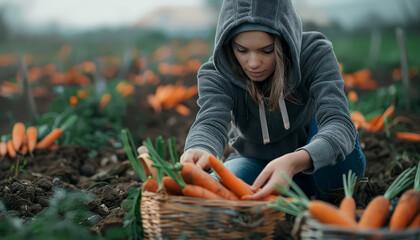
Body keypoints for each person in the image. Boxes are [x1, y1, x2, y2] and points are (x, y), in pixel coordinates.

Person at [180, 0, 366, 201]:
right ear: (229, 44)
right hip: (257, 165)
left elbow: (339, 122)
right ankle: (285, 200)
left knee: (328, 143)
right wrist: (199, 147)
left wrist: (295, 161)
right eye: (241, 50)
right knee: (223, 189)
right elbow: (210, 123)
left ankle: (332, 198)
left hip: (322, 165)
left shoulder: (314, 54)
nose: (253, 63)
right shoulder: (217, 74)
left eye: (266, 50)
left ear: (284, 42)